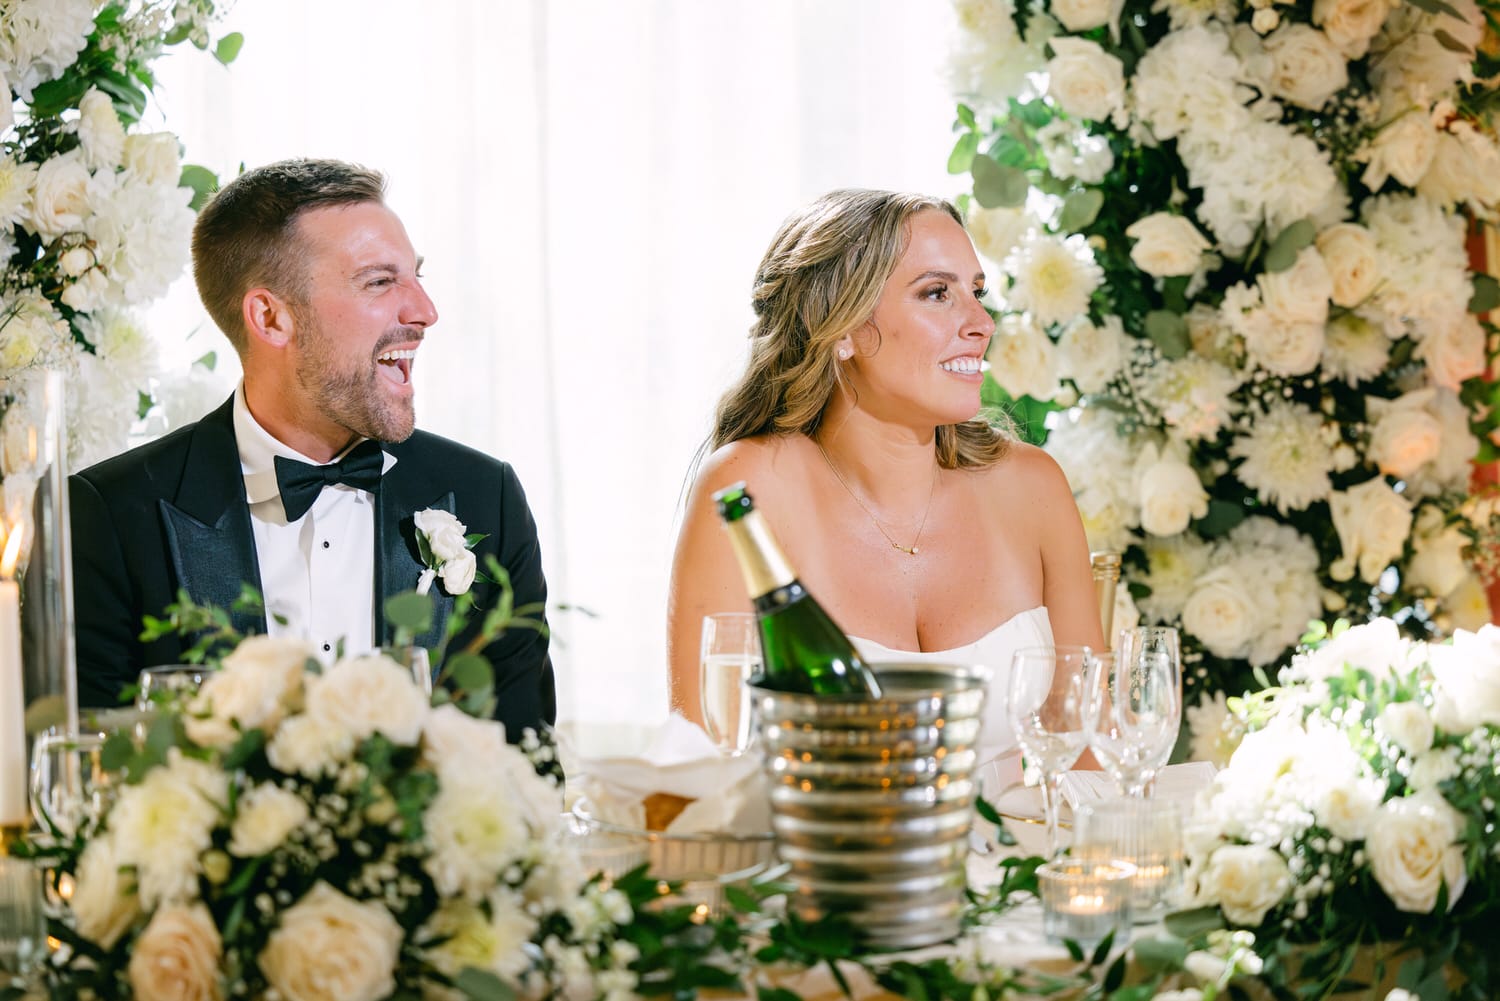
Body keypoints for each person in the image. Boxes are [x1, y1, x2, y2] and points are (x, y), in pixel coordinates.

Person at [68, 158, 555, 741]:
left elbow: (525, 762)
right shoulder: (111, 515)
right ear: (271, 317)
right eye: (380, 281)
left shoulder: (484, 498)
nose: (424, 311)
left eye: (416, 276)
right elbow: (94, 785)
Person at [667, 189, 1102, 768]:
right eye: (936, 294)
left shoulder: (1032, 486)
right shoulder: (753, 488)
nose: (981, 323)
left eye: (977, 293)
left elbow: (1090, 757)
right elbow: (702, 765)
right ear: (841, 328)